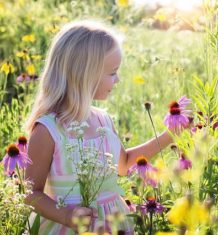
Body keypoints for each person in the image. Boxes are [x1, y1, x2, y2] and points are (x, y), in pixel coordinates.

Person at [24, 20, 174, 235]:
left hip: (114, 224)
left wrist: (169, 135)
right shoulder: (48, 130)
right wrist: (66, 216)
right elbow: (31, 193)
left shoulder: (103, 120)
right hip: (66, 227)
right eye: (112, 72)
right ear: (85, 75)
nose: (118, 79)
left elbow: (123, 165)